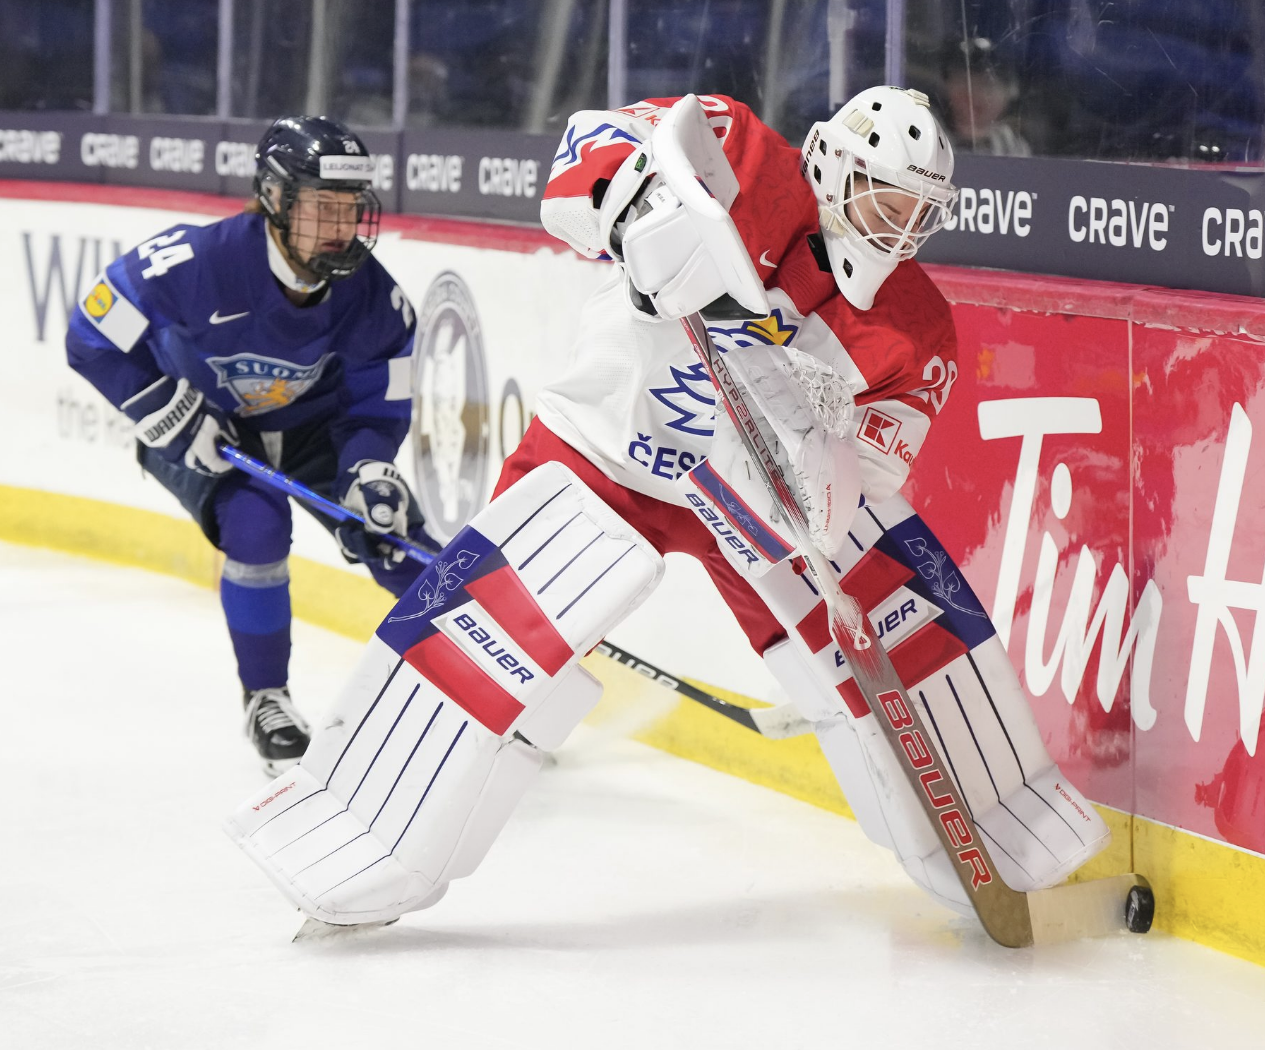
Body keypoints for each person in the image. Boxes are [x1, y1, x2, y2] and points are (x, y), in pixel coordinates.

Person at [227, 89, 1111, 930]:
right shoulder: (731, 147)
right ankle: (356, 821)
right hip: (609, 446)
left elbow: (866, 484)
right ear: (833, 167)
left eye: (919, 211)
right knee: (488, 632)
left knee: (894, 601)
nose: (898, 227)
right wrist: (633, 203)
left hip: (756, 506)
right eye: (883, 200)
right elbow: (582, 153)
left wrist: (811, 439)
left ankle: (998, 810)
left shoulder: (918, 330)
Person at [66, 115, 433, 776]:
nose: (341, 227)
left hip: (314, 430)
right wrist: (164, 413)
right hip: (202, 427)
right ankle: (267, 699)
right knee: (256, 525)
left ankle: (495, 689)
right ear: (274, 198)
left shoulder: (375, 297)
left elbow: (376, 404)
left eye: (351, 209)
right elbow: (90, 332)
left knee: (395, 538)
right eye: (323, 208)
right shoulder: (192, 262)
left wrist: (369, 470)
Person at [934, 36, 1032, 157]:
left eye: (987, 84)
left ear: (1010, 92)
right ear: (946, 86)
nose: (973, 93)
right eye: (963, 81)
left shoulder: (1013, 147)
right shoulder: (927, 137)